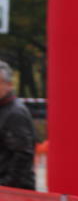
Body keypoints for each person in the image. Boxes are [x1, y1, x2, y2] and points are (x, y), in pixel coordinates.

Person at [0, 60, 36, 190]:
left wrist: (5, 185)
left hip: (14, 192)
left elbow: (23, 155)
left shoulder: (15, 113)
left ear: (9, 85)